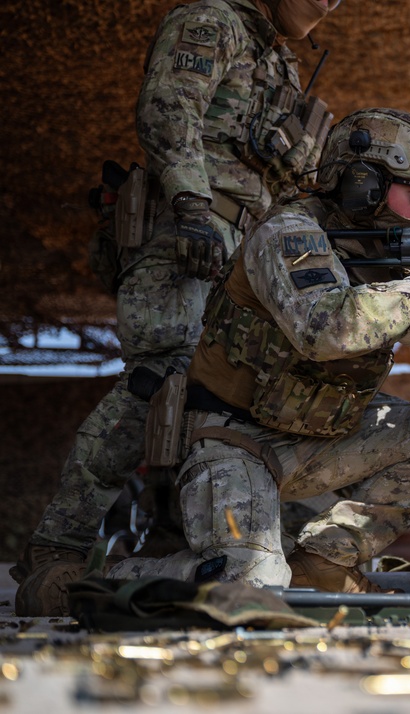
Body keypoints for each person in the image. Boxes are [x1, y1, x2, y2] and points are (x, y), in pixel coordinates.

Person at [104, 107, 410, 592]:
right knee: (251, 584)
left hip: (314, 435)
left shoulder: (388, 245)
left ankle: (324, 562)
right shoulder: (289, 233)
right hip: (235, 439)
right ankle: (114, 575)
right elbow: (327, 328)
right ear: (363, 186)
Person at [14, 0, 338, 614]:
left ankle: (181, 541)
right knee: (155, 385)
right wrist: (192, 207)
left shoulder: (283, 64)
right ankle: (56, 550)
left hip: (241, 250)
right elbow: (170, 107)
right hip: (186, 234)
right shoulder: (213, 22)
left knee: (215, 399)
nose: (327, 3)